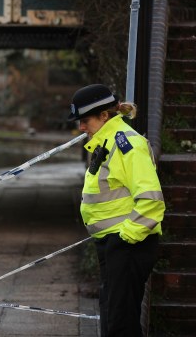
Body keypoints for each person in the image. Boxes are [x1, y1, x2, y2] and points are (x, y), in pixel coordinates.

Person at [67, 84, 164, 337]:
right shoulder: (107, 141)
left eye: (85, 120)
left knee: (120, 324)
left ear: (104, 116)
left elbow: (152, 200)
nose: (81, 127)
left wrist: (124, 239)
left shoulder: (126, 144)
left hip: (128, 245)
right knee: (112, 317)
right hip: (115, 245)